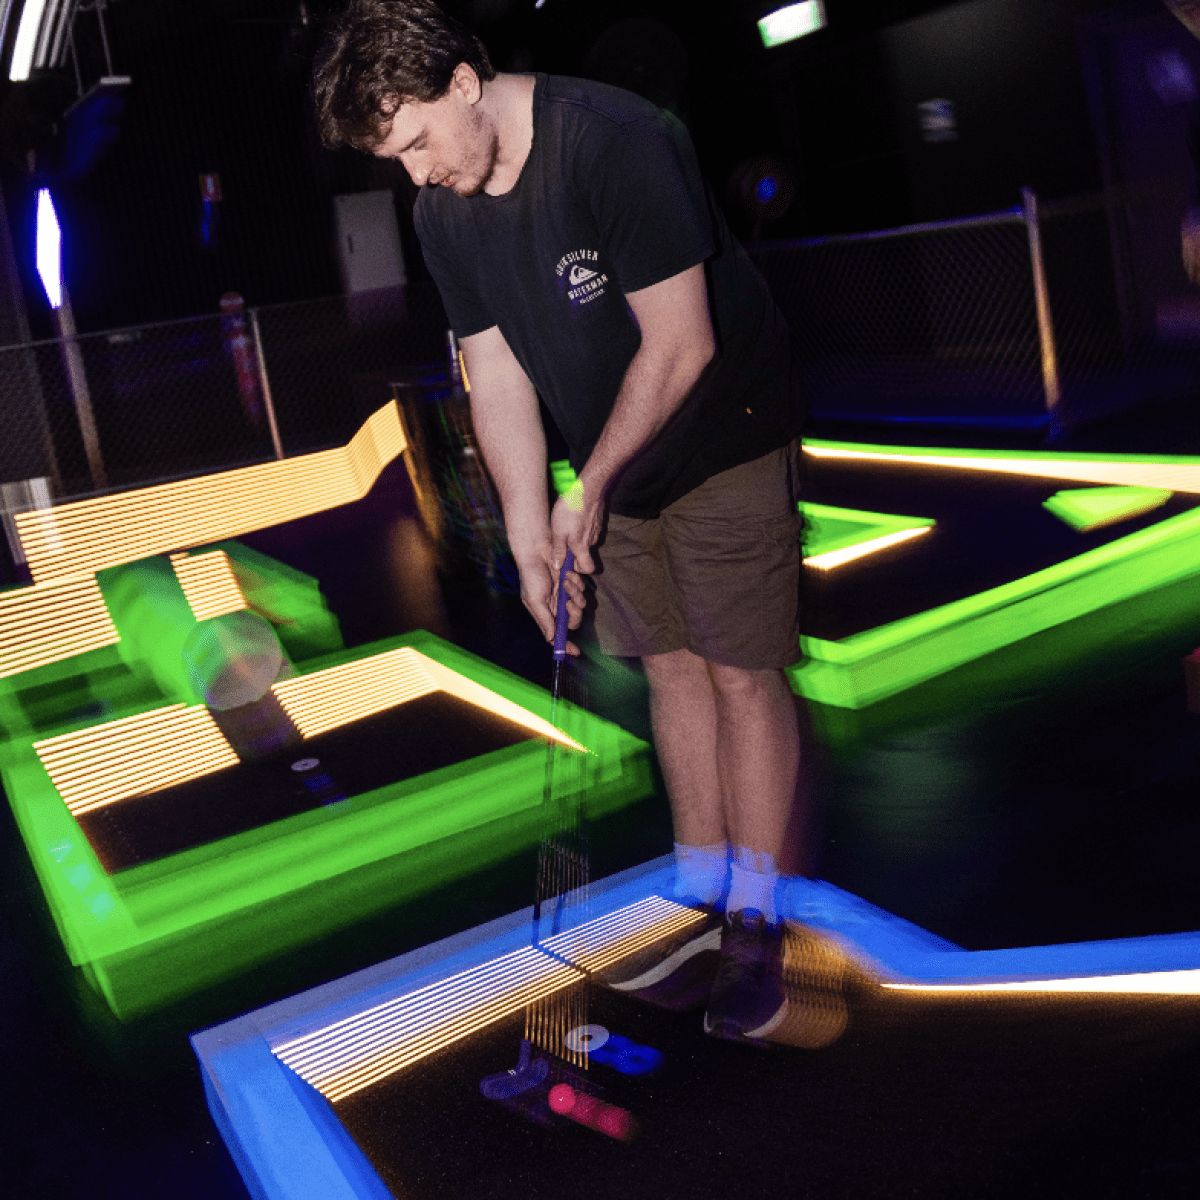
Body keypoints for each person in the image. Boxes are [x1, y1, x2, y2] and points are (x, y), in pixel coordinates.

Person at [314, 0, 813, 1045]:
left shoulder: (616, 140)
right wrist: (527, 526)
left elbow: (682, 345)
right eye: (394, 159)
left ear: (462, 82)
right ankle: (700, 900)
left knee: (739, 671)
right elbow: (494, 371)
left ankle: (758, 924)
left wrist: (588, 491)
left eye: (417, 143)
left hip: (723, 433)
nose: (416, 174)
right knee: (670, 667)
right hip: (611, 457)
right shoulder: (445, 213)